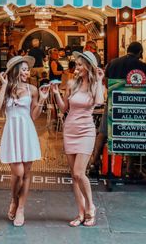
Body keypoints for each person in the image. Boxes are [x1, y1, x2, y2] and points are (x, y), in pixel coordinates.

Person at [0, 55, 50, 227]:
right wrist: (4, 84)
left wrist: (41, 99)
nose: (28, 72)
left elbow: (33, 116)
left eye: (28, 69)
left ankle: (21, 209)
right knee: (17, 173)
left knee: (26, 174)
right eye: (24, 69)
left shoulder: (32, 89)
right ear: (16, 71)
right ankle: (13, 200)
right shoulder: (7, 88)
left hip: (26, 131)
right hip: (12, 131)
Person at [51, 51, 104, 227]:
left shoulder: (96, 85)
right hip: (70, 129)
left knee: (79, 173)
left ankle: (90, 207)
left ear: (89, 66)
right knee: (73, 176)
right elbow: (64, 108)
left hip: (86, 131)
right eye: (77, 64)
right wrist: (56, 93)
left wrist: (99, 79)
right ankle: (80, 212)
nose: (77, 67)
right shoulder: (72, 84)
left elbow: (99, 101)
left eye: (81, 65)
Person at [90, 41, 146, 174]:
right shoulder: (142, 66)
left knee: (103, 132)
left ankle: (94, 161)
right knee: (131, 133)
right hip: (134, 105)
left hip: (113, 101)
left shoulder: (113, 63)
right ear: (140, 53)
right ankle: (130, 167)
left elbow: (106, 82)